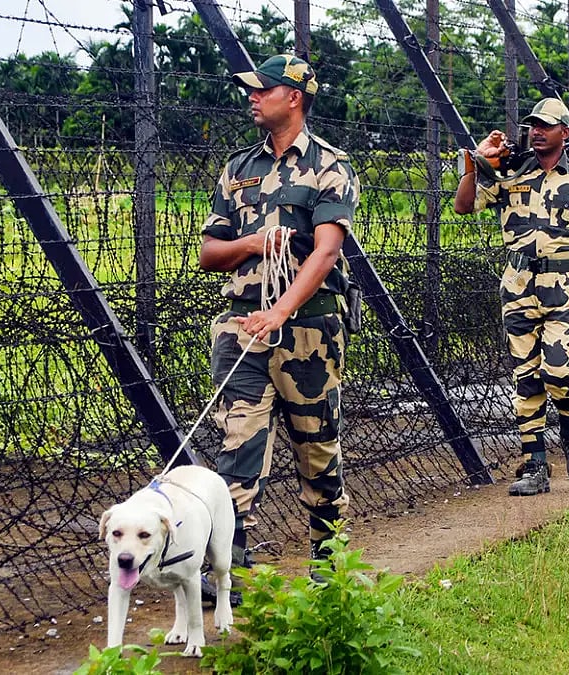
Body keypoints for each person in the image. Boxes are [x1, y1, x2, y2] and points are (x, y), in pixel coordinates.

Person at [199, 54, 360, 576]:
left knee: (317, 447)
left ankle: (329, 564)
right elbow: (209, 253)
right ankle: (225, 568)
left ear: (293, 97)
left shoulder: (330, 166)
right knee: (237, 444)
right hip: (243, 327)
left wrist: (280, 310)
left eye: (262, 90)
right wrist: (251, 243)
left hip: (309, 328)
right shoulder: (238, 168)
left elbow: (327, 251)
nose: (252, 97)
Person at [453, 97, 569, 497]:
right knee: (526, 378)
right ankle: (535, 465)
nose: (537, 132)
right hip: (518, 284)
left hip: (563, 283)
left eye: (546, 125)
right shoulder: (510, 171)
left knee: (560, 372)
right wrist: (476, 160)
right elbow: (463, 205)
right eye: (533, 125)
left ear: (565, 132)